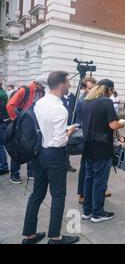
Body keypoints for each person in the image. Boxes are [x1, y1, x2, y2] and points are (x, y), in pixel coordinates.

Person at [22, 71, 79, 244]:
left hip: (39, 152)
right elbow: (60, 141)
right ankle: (55, 237)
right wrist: (69, 132)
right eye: (68, 83)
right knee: (58, 195)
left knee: (37, 194)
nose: (69, 85)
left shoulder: (39, 102)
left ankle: (29, 235)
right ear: (61, 84)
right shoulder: (60, 109)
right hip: (54, 155)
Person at [80, 79, 125, 223]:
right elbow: (113, 125)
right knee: (99, 181)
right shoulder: (106, 102)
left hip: (88, 146)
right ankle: (98, 213)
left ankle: (87, 211)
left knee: (89, 179)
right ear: (109, 89)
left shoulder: (86, 101)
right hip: (102, 147)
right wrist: (122, 123)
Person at [6, 75, 47, 184]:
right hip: (20, 124)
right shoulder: (25, 90)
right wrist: (17, 121)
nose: (43, 89)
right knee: (17, 147)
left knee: (31, 146)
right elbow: (10, 105)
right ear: (37, 83)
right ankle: (14, 174)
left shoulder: (42, 92)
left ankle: (31, 172)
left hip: (32, 124)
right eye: (42, 86)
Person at [76, 76, 97, 205]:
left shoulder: (94, 98)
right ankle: (82, 193)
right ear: (84, 88)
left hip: (95, 136)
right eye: (89, 88)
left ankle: (96, 190)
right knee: (85, 167)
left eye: (94, 87)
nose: (92, 90)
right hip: (87, 137)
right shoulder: (82, 100)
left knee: (95, 166)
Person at [62, 91, 77, 173]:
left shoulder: (73, 96)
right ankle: (62, 163)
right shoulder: (59, 95)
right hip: (61, 123)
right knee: (61, 143)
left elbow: (76, 109)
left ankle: (67, 164)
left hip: (70, 123)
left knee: (68, 144)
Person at [0, 80, 10, 176]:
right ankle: (3, 166)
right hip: (2, 121)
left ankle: (3, 167)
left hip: (1, 122)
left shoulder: (1, 94)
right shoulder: (3, 92)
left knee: (0, 146)